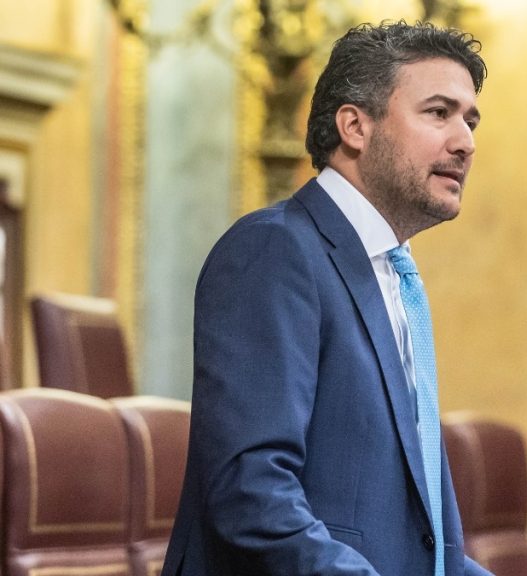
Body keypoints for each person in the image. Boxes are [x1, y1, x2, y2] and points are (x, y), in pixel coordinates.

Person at [161, 20, 491, 576]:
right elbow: (251, 492)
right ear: (355, 127)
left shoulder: (392, 275)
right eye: (438, 113)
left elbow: (418, 539)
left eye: (470, 119)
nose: (465, 141)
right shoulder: (275, 251)